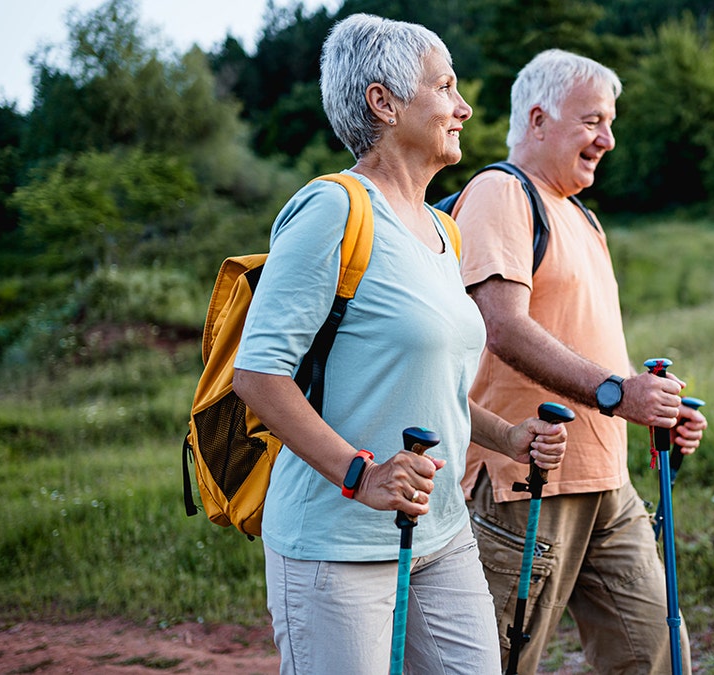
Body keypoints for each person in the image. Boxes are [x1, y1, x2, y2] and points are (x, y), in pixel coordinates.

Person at [231, 15, 568, 675]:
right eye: (445, 87)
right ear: (383, 102)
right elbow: (258, 374)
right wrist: (363, 474)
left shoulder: (445, 231)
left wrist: (509, 439)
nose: (464, 107)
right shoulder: (333, 210)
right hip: (334, 544)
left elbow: (425, 390)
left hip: (439, 535)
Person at [448, 49, 709, 674]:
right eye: (593, 120)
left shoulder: (584, 218)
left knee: (656, 656)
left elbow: (588, 343)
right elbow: (503, 327)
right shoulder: (501, 193)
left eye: (610, 123)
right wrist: (620, 394)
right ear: (538, 120)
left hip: (607, 480)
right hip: (523, 479)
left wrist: (657, 409)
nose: (608, 139)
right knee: (502, 664)